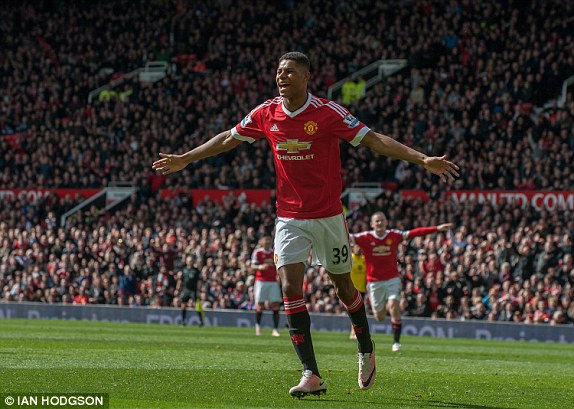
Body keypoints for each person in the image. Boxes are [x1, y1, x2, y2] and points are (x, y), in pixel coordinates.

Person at [152, 51, 459, 397]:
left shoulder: (327, 113)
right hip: (289, 217)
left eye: (290, 72)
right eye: (279, 71)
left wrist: (421, 159)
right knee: (290, 288)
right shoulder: (266, 113)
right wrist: (186, 159)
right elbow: (227, 138)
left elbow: (373, 139)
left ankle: (365, 346)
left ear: (307, 76)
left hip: (328, 216)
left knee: (344, 289)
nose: (282, 77)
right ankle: (311, 372)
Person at [351, 212, 453, 352]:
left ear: (386, 222)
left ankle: (396, 342)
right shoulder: (365, 237)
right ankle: (386, 306)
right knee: (379, 317)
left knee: (394, 306)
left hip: (392, 279)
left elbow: (415, 233)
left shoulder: (394, 235)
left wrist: (436, 228)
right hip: (374, 282)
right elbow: (344, 236)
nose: (380, 223)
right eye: (377, 221)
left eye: (382, 220)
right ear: (372, 224)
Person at [251, 236, 282, 336]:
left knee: (275, 304)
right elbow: (252, 266)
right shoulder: (258, 252)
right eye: (266, 240)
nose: (268, 242)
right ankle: (258, 327)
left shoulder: (274, 253)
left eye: (269, 240)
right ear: (261, 242)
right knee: (260, 305)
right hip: (261, 281)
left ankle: (275, 330)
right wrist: (260, 267)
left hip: (273, 281)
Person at [178, 255, 205, 327]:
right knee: (183, 305)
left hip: (193, 290)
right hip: (186, 289)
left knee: (196, 305)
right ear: (186, 262)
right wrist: (178, 289)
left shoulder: (196, 271)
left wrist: (198, 290)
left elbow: (199, 281)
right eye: (189, 261)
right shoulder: (184, 270)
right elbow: (180, 281)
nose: (190, 262)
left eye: (191, 261)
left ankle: (200, 321)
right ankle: (183, 321)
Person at [349, 243, 367, 340]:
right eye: (357, 247)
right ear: (353, 248)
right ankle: (354, 331)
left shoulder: (364, 259)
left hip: (362, 289)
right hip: (351, 289)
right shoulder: (350, 258)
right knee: (353, 311)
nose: (359, 249)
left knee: (359, 312)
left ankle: (356, 331)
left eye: (360, 247)